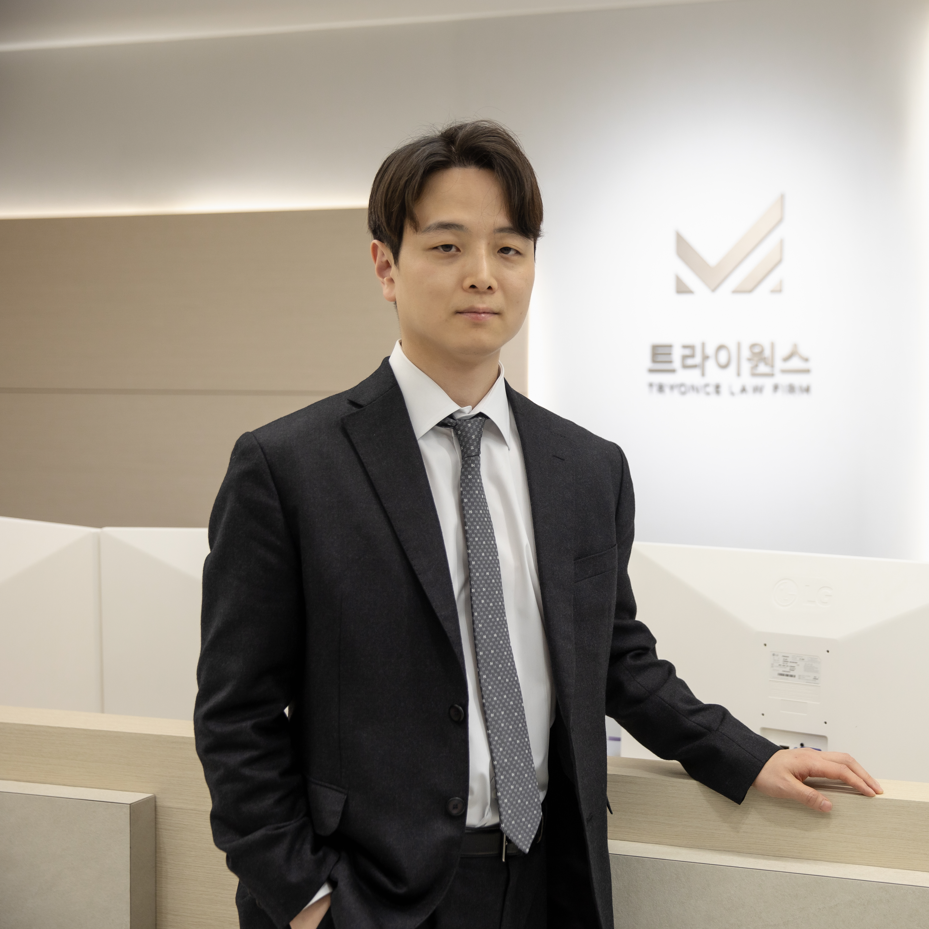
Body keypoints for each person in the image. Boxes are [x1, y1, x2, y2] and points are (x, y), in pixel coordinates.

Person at [194, 120, 881, 929]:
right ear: (386, 265)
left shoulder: (586, 468)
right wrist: (308, 900)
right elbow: (235, 714)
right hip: (366, 896)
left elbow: (615, 657)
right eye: (447, 246)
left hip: (543, 885)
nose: (483, 275)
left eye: (509, 249)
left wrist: (747, 754)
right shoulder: (289, 466)